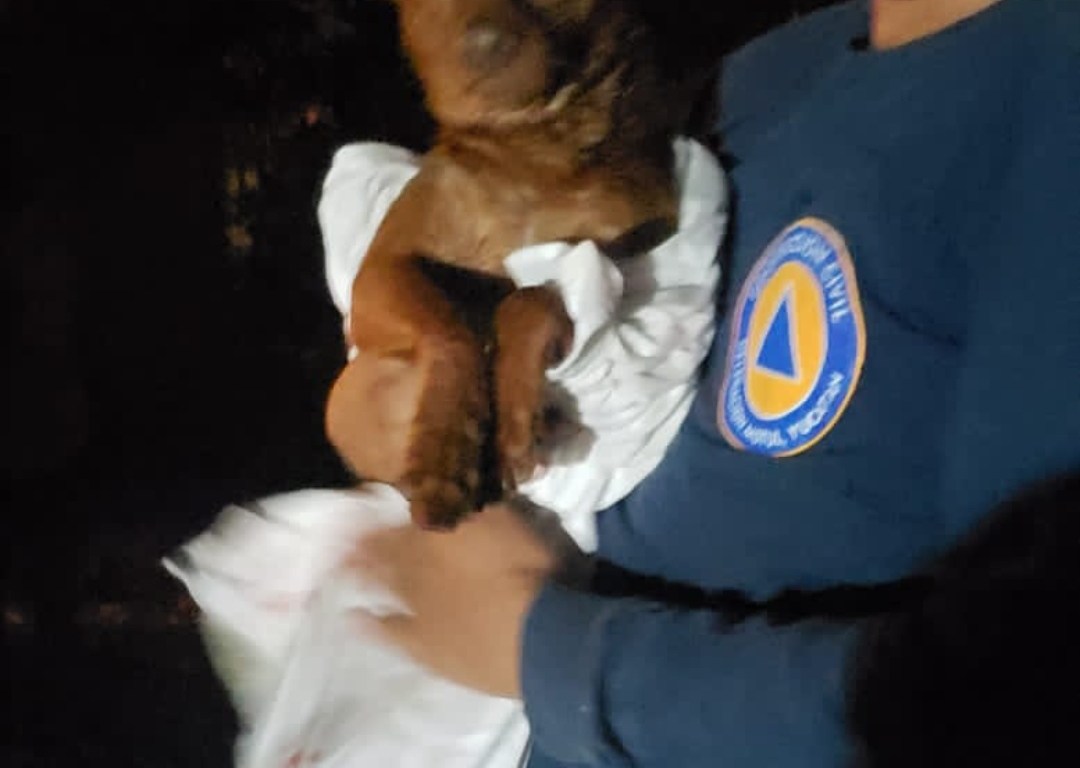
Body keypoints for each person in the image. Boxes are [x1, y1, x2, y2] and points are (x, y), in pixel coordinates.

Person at [338, 0, 1080, 765]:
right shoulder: (766, 73)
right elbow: (616, 334)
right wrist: (415, 401)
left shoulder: (1050, 104)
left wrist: (547, 652)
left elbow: (1023, 701)